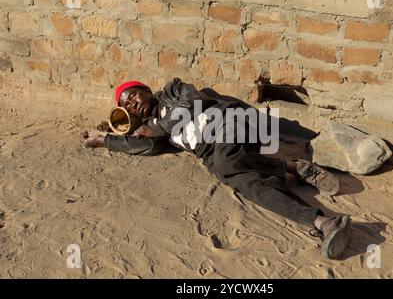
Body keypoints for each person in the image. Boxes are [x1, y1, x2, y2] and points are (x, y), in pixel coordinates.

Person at [80, 78, 352, 259]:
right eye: (127, 104)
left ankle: (289, 165)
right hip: (214, 153)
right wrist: (106, 140)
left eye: (133, 95)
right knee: (249, 185)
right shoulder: (155, 134)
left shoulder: (173, 90)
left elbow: (193, 101)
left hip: (230, 122)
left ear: (146, 89)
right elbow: (142, 147)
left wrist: (158, 127)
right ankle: (323, 221)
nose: (132, 102)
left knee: (225, 164)